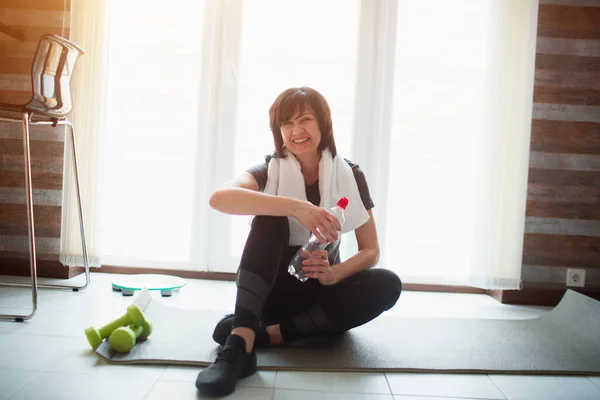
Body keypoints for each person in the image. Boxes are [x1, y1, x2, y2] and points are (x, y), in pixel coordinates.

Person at [195, 86, 402, 397]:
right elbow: (219, 198)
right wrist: (294, 207)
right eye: (287, 124)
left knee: (388, 283)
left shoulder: (351, 175)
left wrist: (335, 273)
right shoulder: (268, 169)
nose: (296, 131)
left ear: (324, 124)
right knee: (269, 216)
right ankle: (240, 344)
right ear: (279, 132)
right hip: (273, 293)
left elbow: (371, 250)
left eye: (305, 120)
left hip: (322, 294)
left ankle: (259, 335)